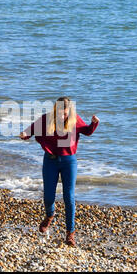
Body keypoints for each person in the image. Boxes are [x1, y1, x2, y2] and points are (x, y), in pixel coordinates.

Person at [19, 97, 99, 246]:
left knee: (69, 197)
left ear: (69, 110)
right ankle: (49, 216)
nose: (62, 114)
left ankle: (70, 234)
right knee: (49, 197)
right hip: (50, 161)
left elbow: (87, 131)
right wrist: (25, 134)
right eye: (60, 111)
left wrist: (94, 123)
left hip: (69, 162)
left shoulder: (75, 119)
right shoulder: (47, 119)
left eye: (65, 111)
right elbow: (31, 129)